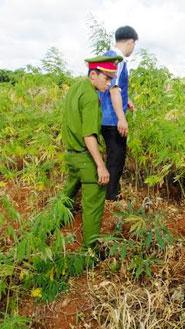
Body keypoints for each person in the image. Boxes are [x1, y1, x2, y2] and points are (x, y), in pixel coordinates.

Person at [62, 55, 123, 247]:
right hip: (84, 157)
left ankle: (47, 228)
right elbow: (89, 135)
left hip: (71, 156)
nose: (109, 83)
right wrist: (100, 166)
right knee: (93, 206)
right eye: (106, 78)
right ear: (93, 74)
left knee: (65, 199)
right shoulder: (90, 96)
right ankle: (90, 253)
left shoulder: (76, 88)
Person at [100, 25, 138, 201]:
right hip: (112, 119)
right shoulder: (118, 60)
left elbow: (109, 86)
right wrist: (121, 119)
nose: (133, 48)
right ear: (130, 42)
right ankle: (111, 197)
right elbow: (114, 90)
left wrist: (126, 99)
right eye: (134, 45)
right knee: (116, 158)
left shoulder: (106, 56)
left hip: (103, 116)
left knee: (112, 156)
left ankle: (109, 192)